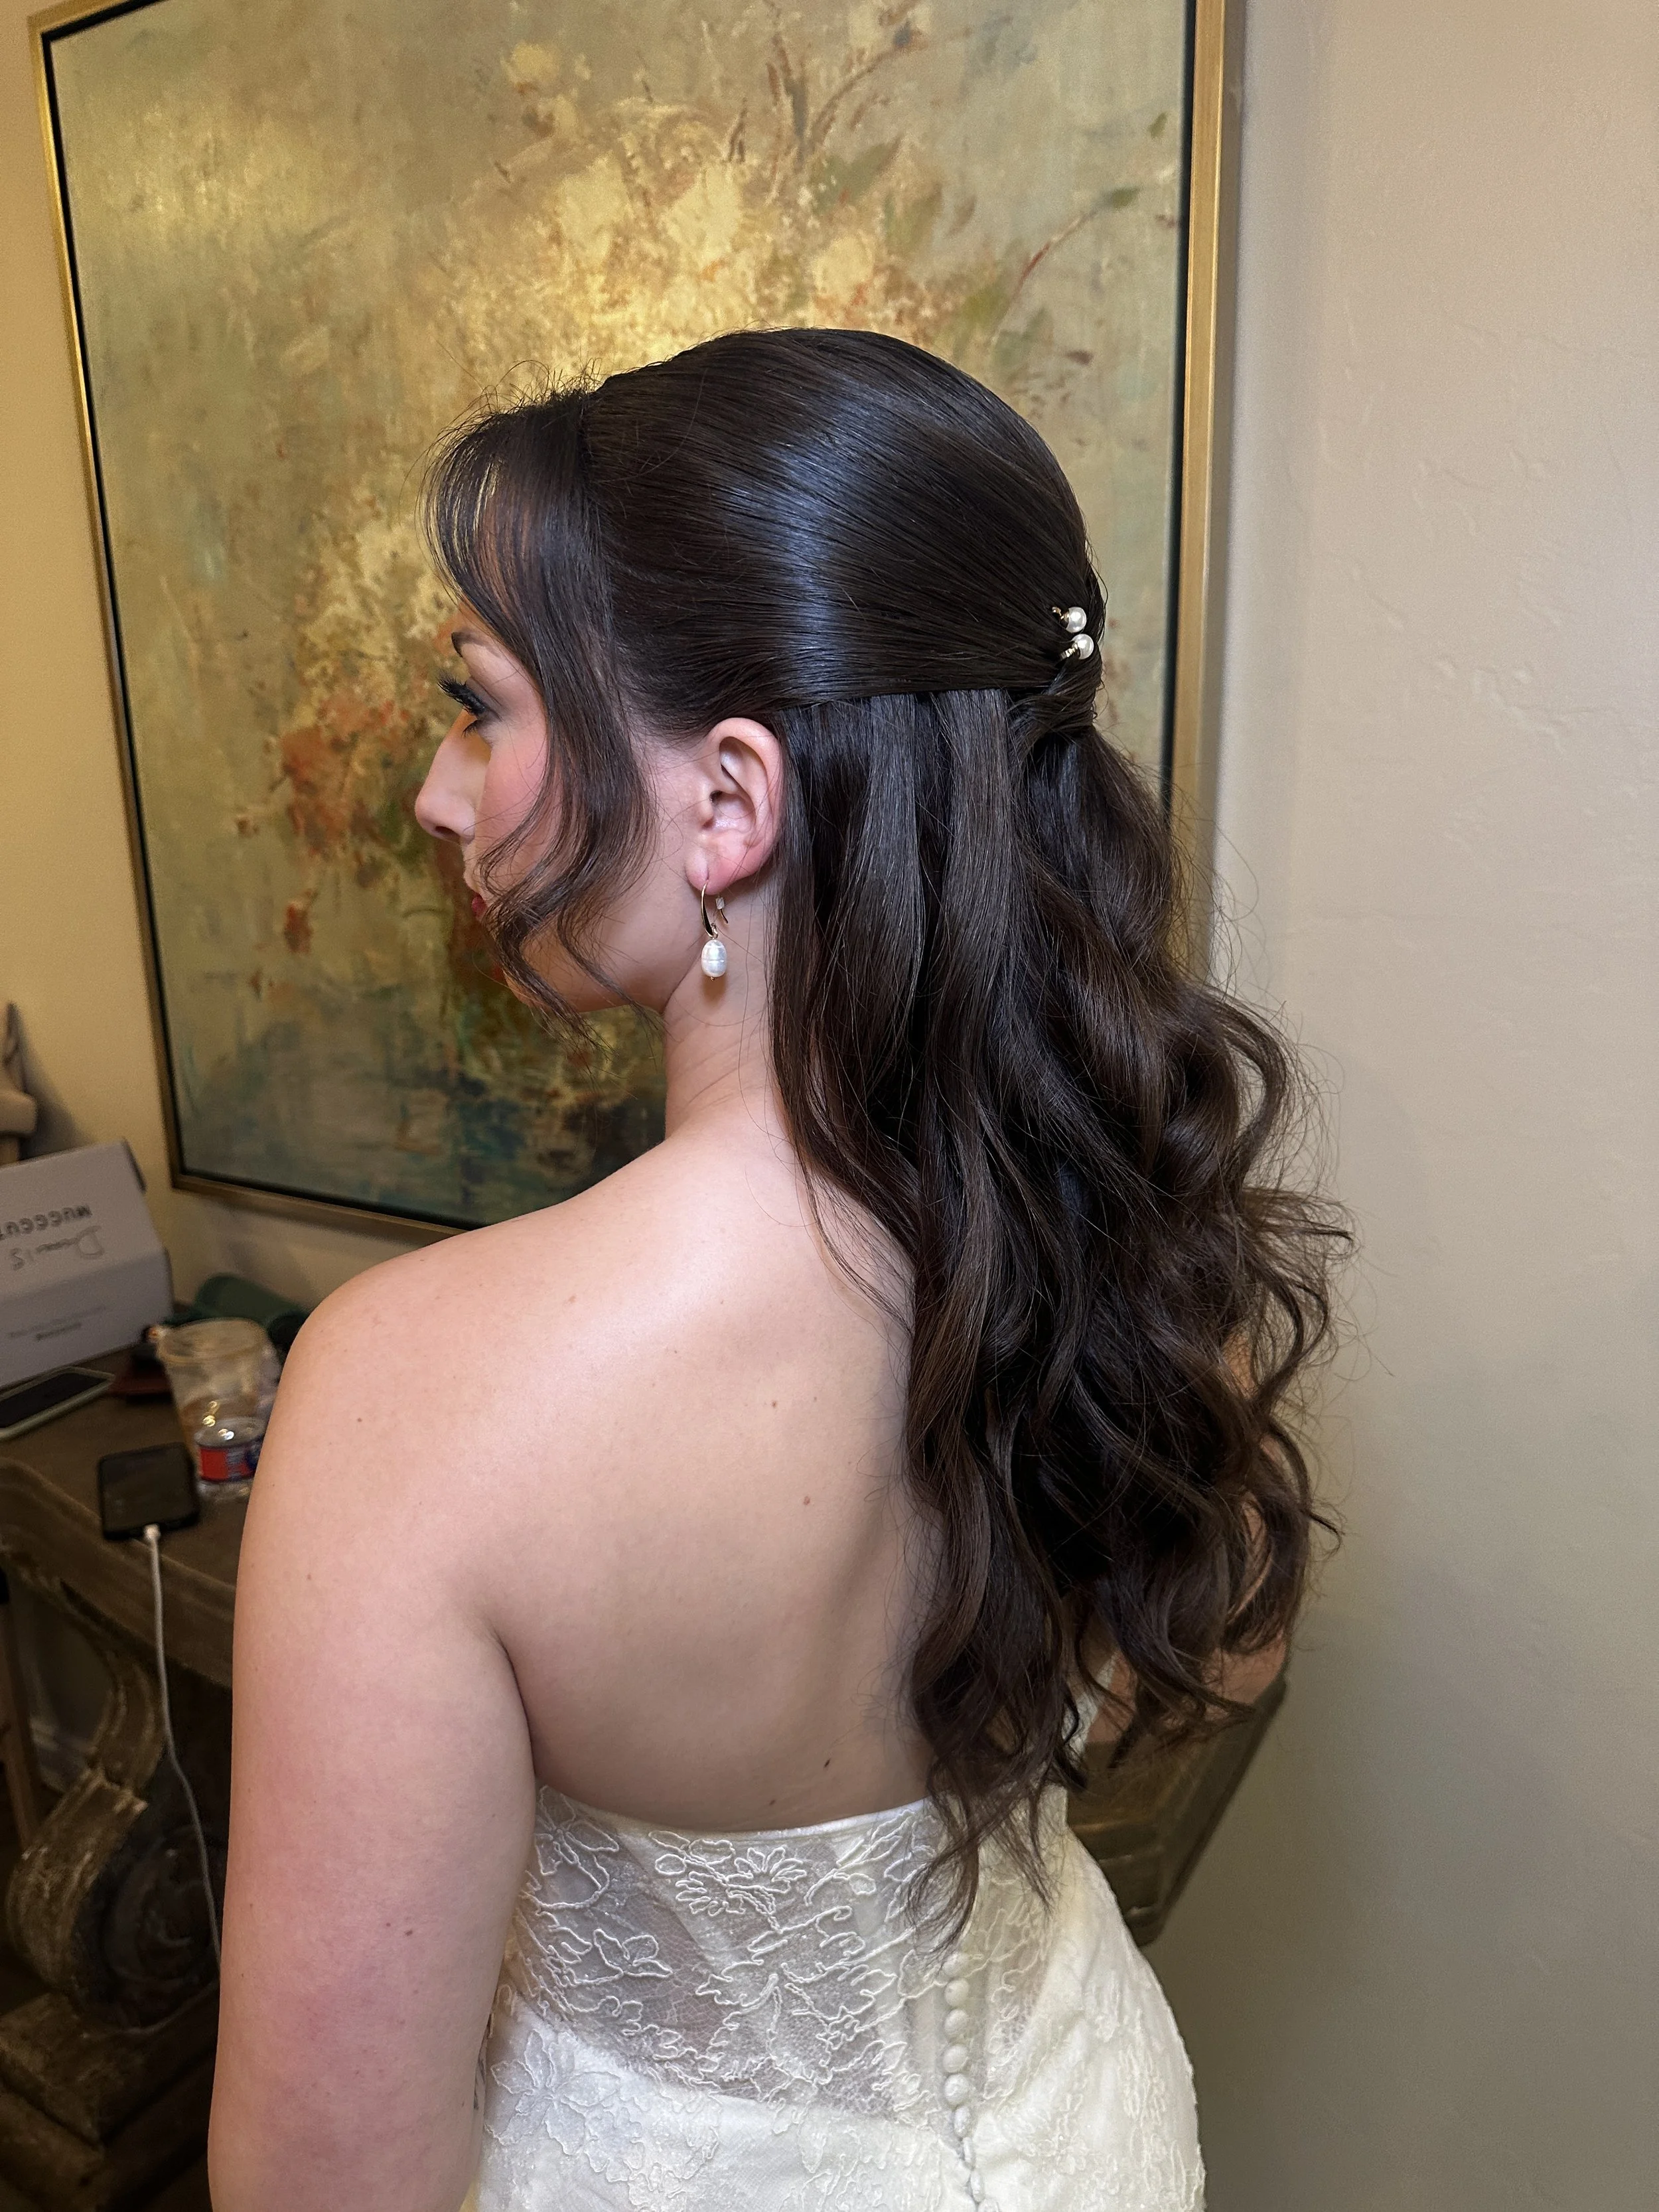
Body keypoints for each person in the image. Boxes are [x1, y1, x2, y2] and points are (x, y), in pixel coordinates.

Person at [208, 329, 1336, 2212]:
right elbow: (1220, 1651)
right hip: (1086, 2129)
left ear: (729, 804)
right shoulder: (1116, 1216)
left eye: (479, 705)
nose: (434, 789)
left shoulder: (410, 1394)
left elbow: (325, 2179)